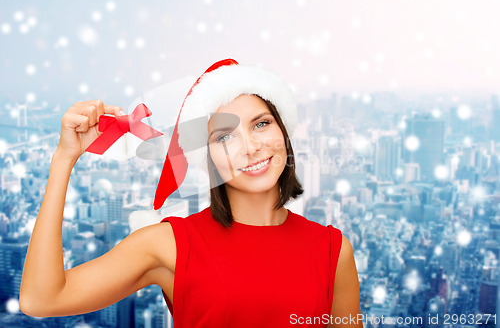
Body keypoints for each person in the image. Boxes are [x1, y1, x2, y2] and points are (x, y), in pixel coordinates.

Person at [19, 59, 362, 327]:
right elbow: (42, 298)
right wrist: (64, 158)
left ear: (283, 132)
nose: (251, 147)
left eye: (261, 123)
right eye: (224, 136)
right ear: (207, 157)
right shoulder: (171, 245)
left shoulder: (333, 251)